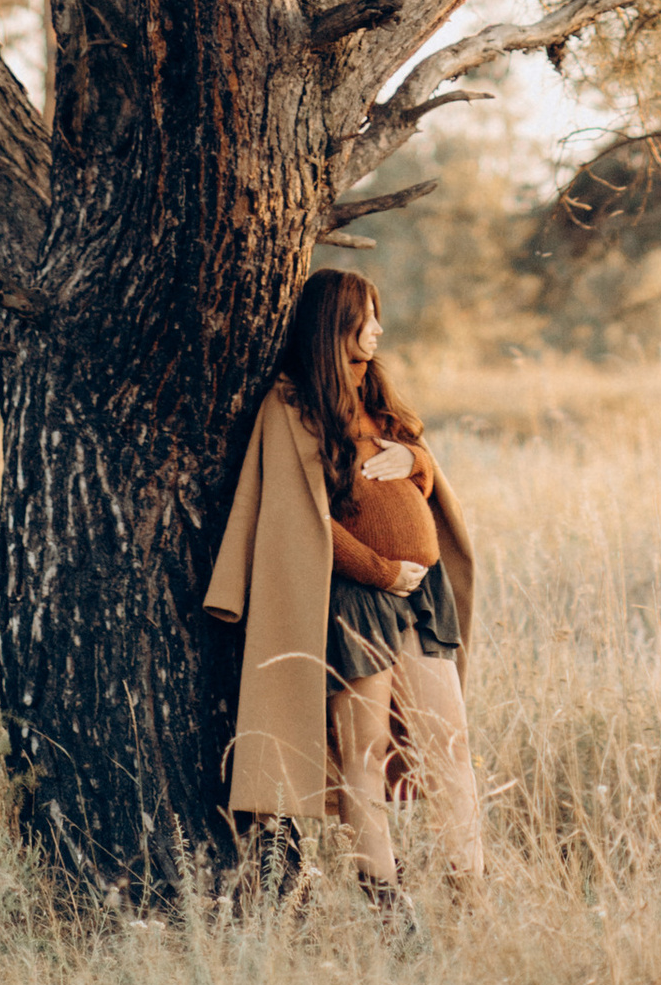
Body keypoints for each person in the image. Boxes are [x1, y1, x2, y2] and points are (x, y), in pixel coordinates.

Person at [204, 269, 484, 918]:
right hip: (358, 599)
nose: (379, 330)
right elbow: (296, 517)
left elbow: (419, 463)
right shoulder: (291, 405)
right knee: (363, 754)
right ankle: (389, 910)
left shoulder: (378, 396)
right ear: (335, 326)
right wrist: (379, 571)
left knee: (451, 744)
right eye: (367, 317)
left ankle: (472, 893)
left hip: (423, 597)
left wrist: (418, 463)